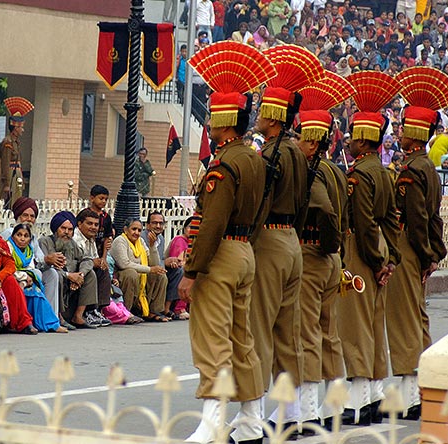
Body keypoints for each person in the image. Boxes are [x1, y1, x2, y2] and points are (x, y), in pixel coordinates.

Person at [177, 41, 272, 444]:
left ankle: (213, 423)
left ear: (225, 119)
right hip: (245, 250)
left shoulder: (225, 163)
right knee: (241, 338)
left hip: (219, 255)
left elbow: (211, 222)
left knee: (213, 339)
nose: (209, 123)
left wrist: (192, 269)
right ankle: (251, 421)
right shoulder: (254, 157)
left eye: (214, 115)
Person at [249, 44, 313, 430]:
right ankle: (292, 411)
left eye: (261, 111)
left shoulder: (271, 154)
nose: (256, 117)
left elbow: (260, 203)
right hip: (292, 240)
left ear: (273, 116)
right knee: (288, 331)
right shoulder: (296, 152)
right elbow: (304, 202)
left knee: (259, 327)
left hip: (270, 241)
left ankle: (252, 416)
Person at [337, 71, 402, 426]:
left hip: (361, 255)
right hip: (378, 255)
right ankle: (376, 395)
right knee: (374, 327)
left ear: (364, 139)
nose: (347, 142)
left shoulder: (358, 176)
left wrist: (376, 262)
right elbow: (390, 221)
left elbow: (362, 224)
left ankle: (358, 401)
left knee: (355, 328)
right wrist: (391, 258)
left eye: (352, 137)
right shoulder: (384, 172)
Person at [386, 68, 448, 419]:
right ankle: (418, 390)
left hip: (409, 249)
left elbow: (416, 220)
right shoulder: (427, 166)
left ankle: (412, 396)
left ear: (413, 132)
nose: (397, 132)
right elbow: (433, 217)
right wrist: (435, 253)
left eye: (402, 127)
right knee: (416, 319)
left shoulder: (411, 170)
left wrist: (424, 254)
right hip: (421, 250)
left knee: (403, 321)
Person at [290, 91, 351, 429]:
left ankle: (310, 409)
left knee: (307, 333)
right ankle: (335, 404)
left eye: (301, 136)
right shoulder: (337, 170)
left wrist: (327, 244)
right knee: (329, 332)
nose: (297, 141)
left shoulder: (313, 172)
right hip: (331, 259)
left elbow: (326, 211)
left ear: (312, 142)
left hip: (314, 254)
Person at [0, 197, 62, 319]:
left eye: (32, 216)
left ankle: (50, 317)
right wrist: (44, 261)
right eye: (25, 215)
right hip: (12, 272)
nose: (29, 219)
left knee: (52, 274)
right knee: (37, 273)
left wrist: (49, 260)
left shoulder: (32, 237)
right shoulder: (9, 233)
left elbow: (39, 259)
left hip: (29, 270)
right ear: (17, 216)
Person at [38, 211, 99, 329]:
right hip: (54, 282)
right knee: (56, 275)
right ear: (56, 229)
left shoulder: (72, 244)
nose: (66, 232)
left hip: (71, 288)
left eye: (70, 229)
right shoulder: (44, 242)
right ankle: (58, 316)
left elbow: (86, 259)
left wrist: (80, 275)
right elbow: (42, 266)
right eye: (63, 228)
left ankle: (78, 316)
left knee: (90, 274)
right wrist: (68, 275)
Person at [8, 224, 68, 333]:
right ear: (13, 237)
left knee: (36, 291)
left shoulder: (29, 250)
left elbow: (30, 268)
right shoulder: (9, 247)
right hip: (11, 278)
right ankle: (48, 324)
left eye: (26, 236)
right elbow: (9, 268)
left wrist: (27, 278)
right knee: (34, 290)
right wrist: (25, 277)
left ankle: (50, 324)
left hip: (25, 280)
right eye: (19, 235)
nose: (22, 238)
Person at [111, 218, 169, 321]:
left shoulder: (141, 241)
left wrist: (152, 246)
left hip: (140, 275)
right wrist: (149, 270)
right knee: (131, 273)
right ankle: (126, 312)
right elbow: (124, 264)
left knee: (160, 275)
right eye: (134, 229)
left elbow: (154, 264)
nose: (136, 233)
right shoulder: (120, 241)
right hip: (121, 276)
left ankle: (154, 311)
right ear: (125, 229)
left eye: (139, 230)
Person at [72, 208, 114, 327]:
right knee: (91, 272)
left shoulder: (91, 239)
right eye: (89, 223)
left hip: (86, 268)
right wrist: (94, 262)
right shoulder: (76, 238)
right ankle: (87, 312)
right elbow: (82, 261)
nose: (93, 227)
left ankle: (96, 311)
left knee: (103, 269)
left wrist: (100, 261)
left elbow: (95, 257)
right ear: (79, 224)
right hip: (76, 270)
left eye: (96, 224)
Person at [142, 211, 184, 319]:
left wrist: (171, 261)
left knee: (179, 271)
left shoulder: (160, 238)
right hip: (146, 269)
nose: (158, 226)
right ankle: (155, 311)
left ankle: (167, 307)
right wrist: (164, 263)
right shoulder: (142, 238)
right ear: (148, 225)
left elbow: (160, 259)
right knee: (161, 274)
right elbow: (148, 261)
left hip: (158, 266)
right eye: (154, 223)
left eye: (161, 223)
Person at [0, 96, 34, 209]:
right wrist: (6, 183)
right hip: (11, 173)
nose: (22, 130)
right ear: (15, 128)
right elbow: (5, 163)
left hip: (17, 173)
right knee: (7, 200)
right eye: (21, 127)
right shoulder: (8, 142)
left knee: (16, 200)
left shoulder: (16, 142)